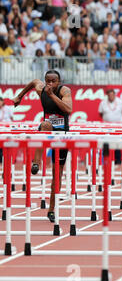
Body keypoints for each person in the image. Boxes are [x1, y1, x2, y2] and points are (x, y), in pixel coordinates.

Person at [13, 70, 73, 222]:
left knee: (57, 176)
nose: (50, 84)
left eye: (53, 81)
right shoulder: (42, 89)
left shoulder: (64, 91)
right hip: (48, 130)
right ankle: (36, 163)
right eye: (48, 81)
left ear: (59, 82)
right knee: (45, 124)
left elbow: (68, 109)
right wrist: (19, 96)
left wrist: (52, 94)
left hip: (62, 134)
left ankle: (51, 210)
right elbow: (34, 82)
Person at [98, 88, 122, 165]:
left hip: (118, 126)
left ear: (114, 94)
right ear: (107, 95)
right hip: (106, 126)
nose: (111, 96)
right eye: (109, 95)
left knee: (117, 143)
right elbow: (100, 113)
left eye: (112, 94)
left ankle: (118, 161)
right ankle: (106, 161)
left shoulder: (120, 102)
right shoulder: (103, 103)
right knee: (106, 143)